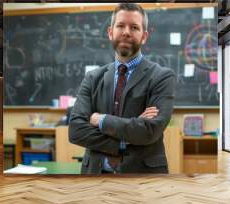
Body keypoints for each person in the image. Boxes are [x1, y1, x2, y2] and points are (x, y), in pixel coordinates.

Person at [69, 3, 176, 174]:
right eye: (120, 25)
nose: (126, 32)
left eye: (134, 27)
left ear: (144, 36)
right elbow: (76, 130)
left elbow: (150, 130)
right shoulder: (92, 78)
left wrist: (100, 119)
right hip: (95, 176)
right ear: (110, 32)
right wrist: (121, 142)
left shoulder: (162, 77)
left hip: (143, 178)